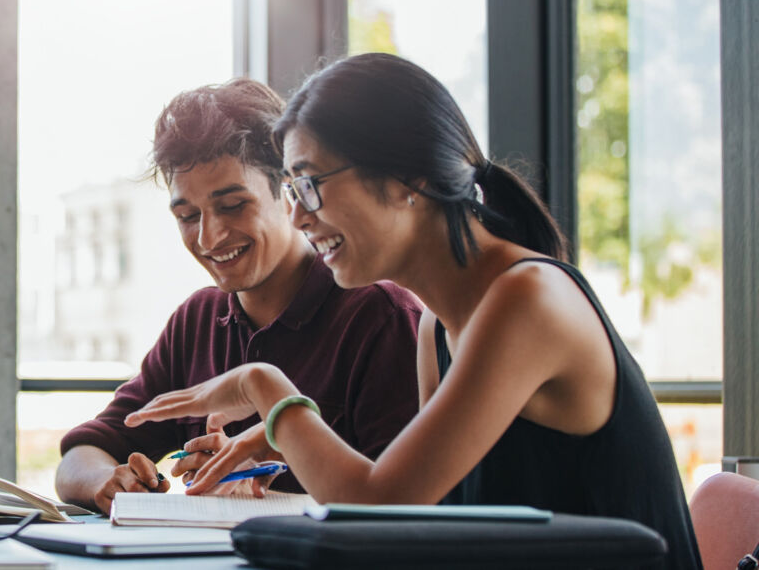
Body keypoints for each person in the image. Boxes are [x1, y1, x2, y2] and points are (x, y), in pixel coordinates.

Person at [125, 53, 700, 569]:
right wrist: (285, 440)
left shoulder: (527, 300)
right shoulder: (437, 327)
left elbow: (379, 505)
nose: (299, 217)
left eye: (311, 186)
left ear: (408, 180)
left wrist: (265, 389)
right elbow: (420, 525)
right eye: (294, 192)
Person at [54, 77, 424, 515]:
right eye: (188, 216)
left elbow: (403, 505)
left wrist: (274, 461)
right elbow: (82, 454)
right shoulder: (197, 321)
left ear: (289, 192)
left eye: (232, 206)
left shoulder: (380, 316)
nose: (209, 237)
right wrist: (107, 481)